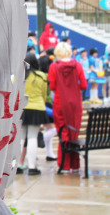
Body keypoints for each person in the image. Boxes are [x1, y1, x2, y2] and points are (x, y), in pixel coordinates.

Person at [48, 42, 87, 174]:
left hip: (60, 102)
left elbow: (52, 86)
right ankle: (75, 165)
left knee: (63, 132)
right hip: (75, 102)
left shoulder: (54, 67)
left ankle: (64, 165)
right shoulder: (77, 65)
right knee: (74, 132)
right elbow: (84, 85)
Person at [17, 53, 50, 175]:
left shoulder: (20, 75)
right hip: (37, 107)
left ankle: (17, 167)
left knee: (20, 138)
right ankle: (32, 167)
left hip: (22, 108)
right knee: (32, 137)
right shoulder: (41, 76)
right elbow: (44, 94)